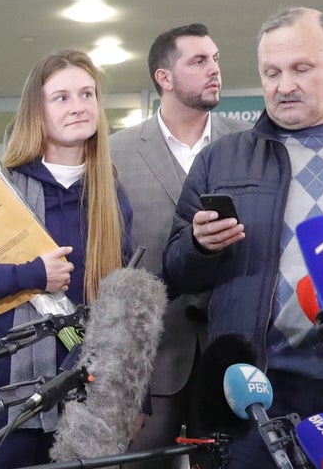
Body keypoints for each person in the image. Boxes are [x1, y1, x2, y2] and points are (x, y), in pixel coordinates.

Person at [162, 6, 323, 468]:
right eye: (272, 72)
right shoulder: (221, 160)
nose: (284, 85)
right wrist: (200, 245)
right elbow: (175, 269)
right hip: (254, 392)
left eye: (301, 68)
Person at [0, 49, 133, 468]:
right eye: (61, 97)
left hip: (88, 400)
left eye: (87, 94)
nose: (78, 106)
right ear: (36, 112)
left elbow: (124, 305)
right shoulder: (0, 188)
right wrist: (32, 274)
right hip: (3, 397)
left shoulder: (110, 196)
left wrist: (132, 390)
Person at [109, 23, 250, 469]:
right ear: (164, 78)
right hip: (151, 357)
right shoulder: (115, 153)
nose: (215, 70)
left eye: (216, 59)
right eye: (199, 61)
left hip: (233, 354)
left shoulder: (247, 146)